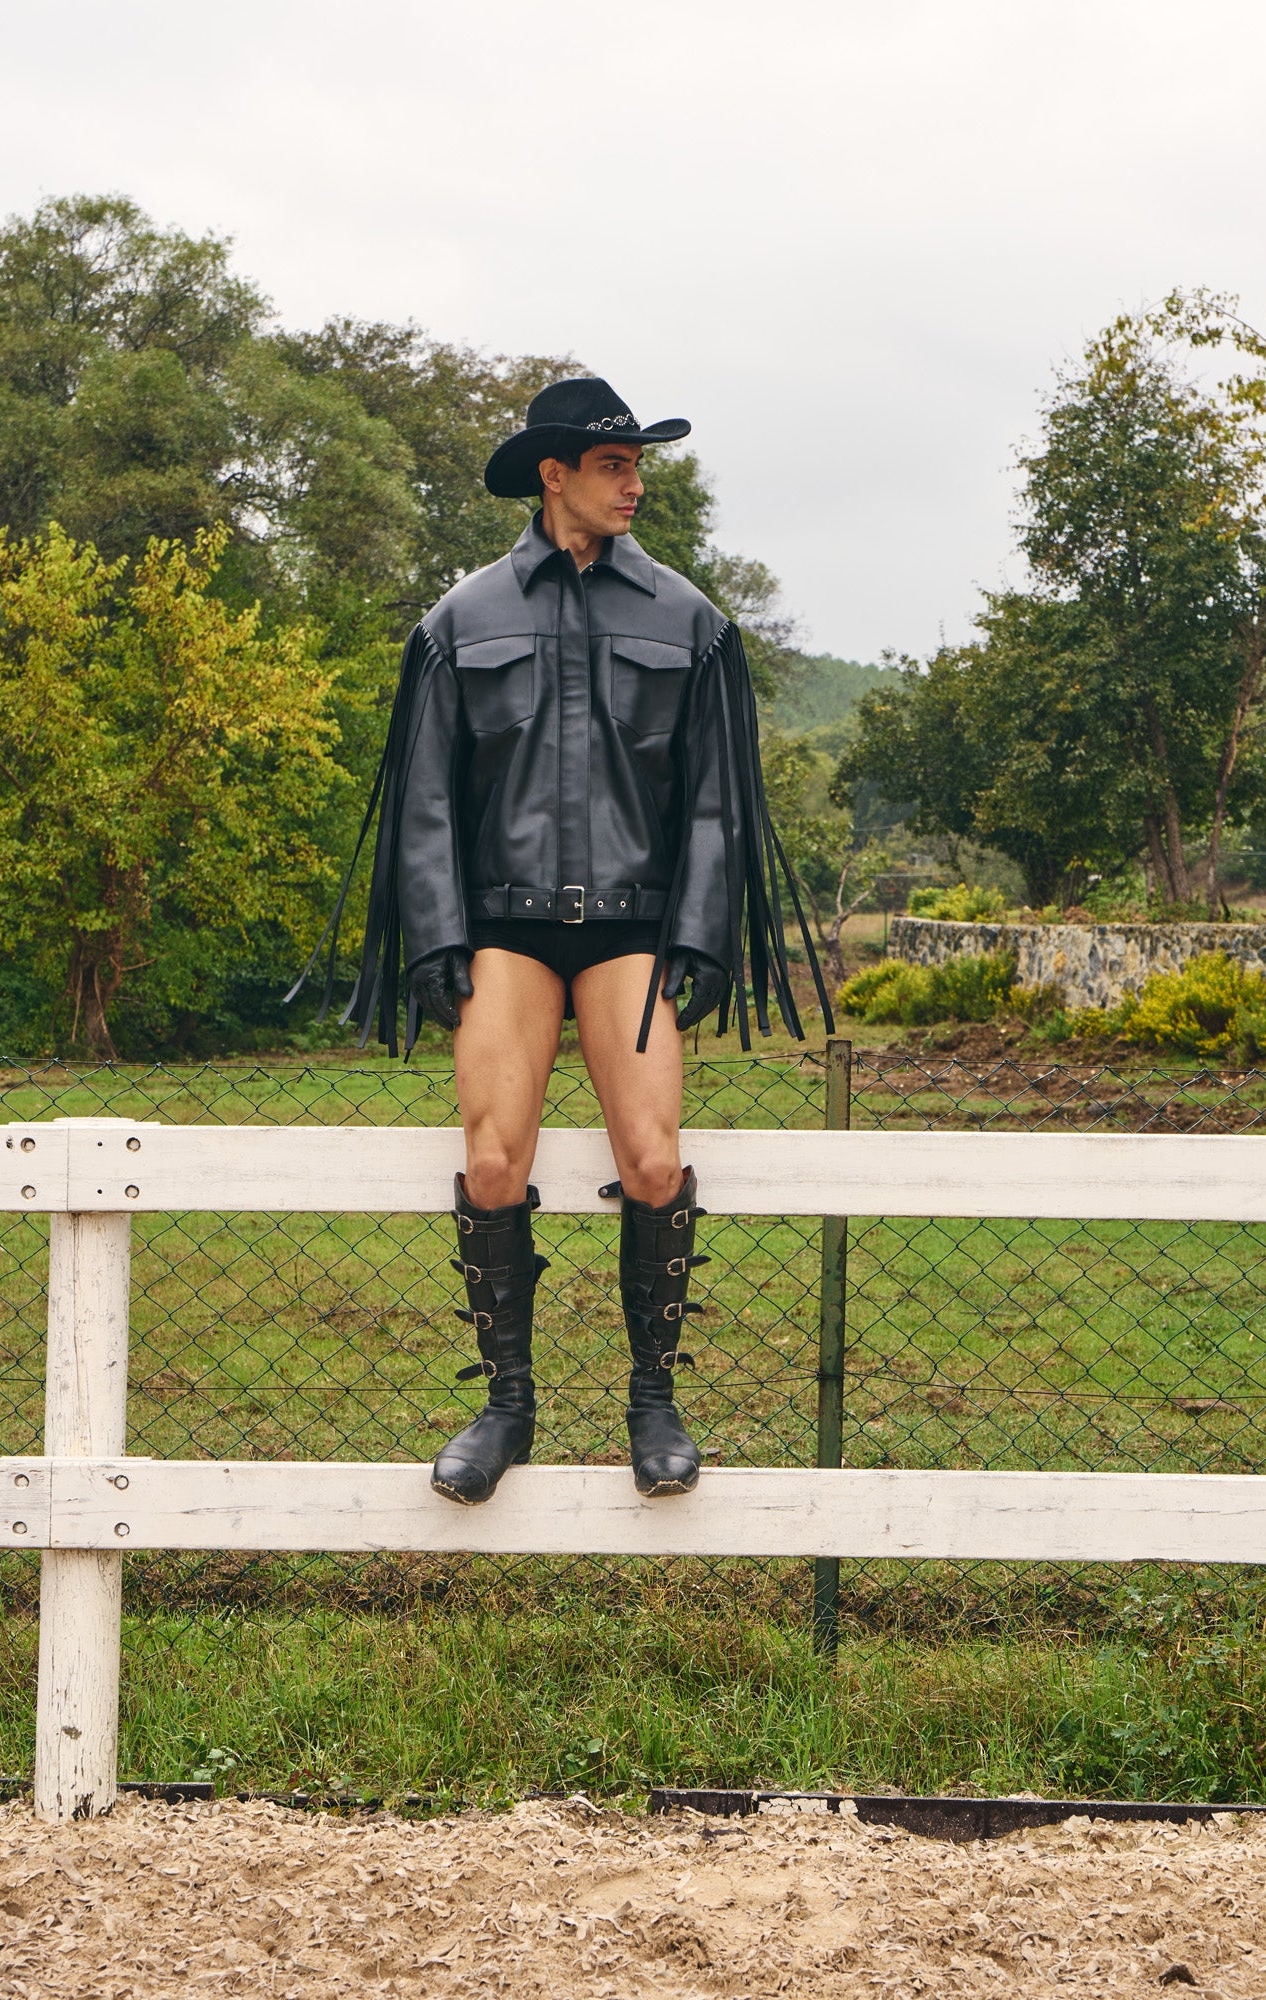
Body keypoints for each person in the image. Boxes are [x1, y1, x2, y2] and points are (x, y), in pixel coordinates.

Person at [296, 377, 827, 1506]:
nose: (635, 485)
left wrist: (698, 931)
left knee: (652, 1158)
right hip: (502, 928)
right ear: (554, 475)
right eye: (614, 466)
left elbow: (711, 804)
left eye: (640, 465)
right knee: (492, 1161)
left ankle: (653, 1400)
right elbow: (426, 800)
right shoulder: (460, 620)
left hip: (633, 929)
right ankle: (505, 1404)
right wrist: (436, 935)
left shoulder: (690, 622)